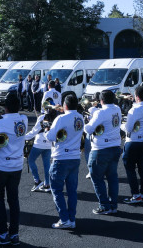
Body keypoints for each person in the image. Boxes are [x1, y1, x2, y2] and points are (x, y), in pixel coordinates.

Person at [0, 94, 27, 245]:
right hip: (17, 166)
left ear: (6, 107)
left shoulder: (0, 124)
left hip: (2, 166)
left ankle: (3, 234)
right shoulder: (23, 119)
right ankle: (14, 233)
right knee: (13, 200)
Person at [46, 95, 84, 229]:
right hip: (75, 157)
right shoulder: (80, 117)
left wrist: (46, 129)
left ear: (65, 105)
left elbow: (50, 137)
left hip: (61, 157)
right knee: (72, 190)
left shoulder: (61, 118)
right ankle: (71, 219)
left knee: (56, 190)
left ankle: (64, 219)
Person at [84, 90, 122, 215]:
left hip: (101, 149)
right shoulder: (117, 109)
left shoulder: (101, 112)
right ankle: (113, 205)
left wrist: (87, 120)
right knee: (112, 177)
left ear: (101, 101)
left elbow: (89, 129)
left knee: (97, 178)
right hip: (115, 146)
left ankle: (104, 206)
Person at [122, 85, 143, 204]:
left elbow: (128, 128)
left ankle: (136, 195)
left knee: (130, 169)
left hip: (133, 141)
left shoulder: (134, 110)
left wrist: (121, 125)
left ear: (137, 97)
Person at [25, 109, 55, 192]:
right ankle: (47, 184)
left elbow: (34, 131)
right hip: (49, 144)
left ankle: (37, 181)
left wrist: (24, 137)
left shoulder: (42, 117)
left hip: (39, 144)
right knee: (47, 165)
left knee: (31, 160)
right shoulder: (56, 117)